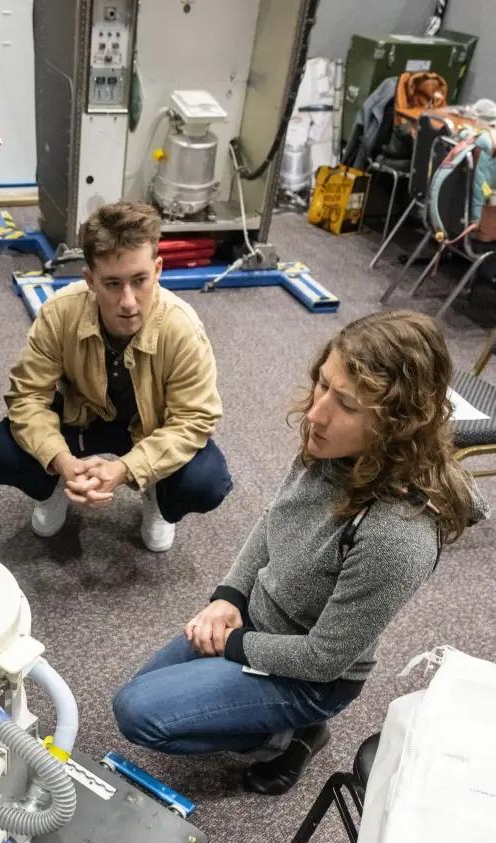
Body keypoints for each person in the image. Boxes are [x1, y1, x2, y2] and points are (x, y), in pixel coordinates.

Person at [113, 310, 486, 794]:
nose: (316, 413)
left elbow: (323, 658)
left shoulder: (399, 536)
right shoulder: (330, 442)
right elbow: (275, 519)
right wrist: (228, 597)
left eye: (345, 404)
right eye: (323, 384)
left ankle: (288, 736)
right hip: (260, 618)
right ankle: (257, 707)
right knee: (138, 691)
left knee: (139, 714)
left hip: (310, 676)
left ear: (397, 424)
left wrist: (231, 644)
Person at [0, 201, 232, 552]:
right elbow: (27, 398)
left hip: (150, 430)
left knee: (206, 481)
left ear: (158, 270)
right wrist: (61, 461)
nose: (128, 301)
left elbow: (195, 419)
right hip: (80, 423)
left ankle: (158, 493)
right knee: (1, 453)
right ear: (90, 280)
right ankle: (53, 486)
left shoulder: (182, 328)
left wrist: (129, 469)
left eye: (140, 281)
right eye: (112, 284)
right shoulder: (59, 313)